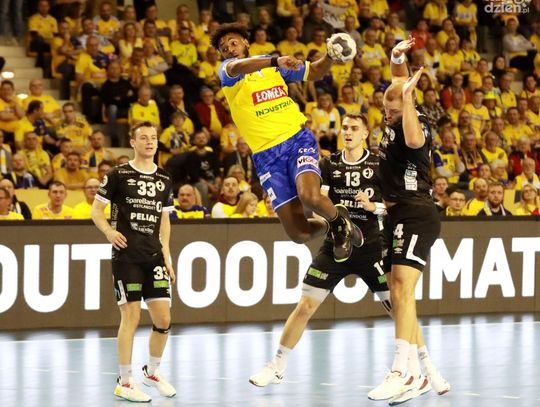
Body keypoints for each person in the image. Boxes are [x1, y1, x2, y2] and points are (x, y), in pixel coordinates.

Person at [249, 115, 445, 401]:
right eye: (345, 128)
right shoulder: (328, 164)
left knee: (399, 308)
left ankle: (427, 369)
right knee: (305, 305)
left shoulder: (379, 164)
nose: (348, 132)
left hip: (372, 246)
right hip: (337, 244)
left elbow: (395, 205)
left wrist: (374, 206)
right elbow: (320, 206)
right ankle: (276, 366)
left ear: (365, 133)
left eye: (354, 128)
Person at [213, 23, 361, 262]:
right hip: (266, 157)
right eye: (224, 48)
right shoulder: (228, 71)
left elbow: (314, 72)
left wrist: (330, 56)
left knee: (310, 197)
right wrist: (275, 60)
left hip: (296, 140)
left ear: (246, 43)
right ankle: (332, 223)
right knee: (299, 234)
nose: (229, 49)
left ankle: (339, 224)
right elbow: (237, 66)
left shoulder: (274, 67)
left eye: (233, 42)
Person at [369, 36, 450, 403]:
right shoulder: (396, 110)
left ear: (407, 106)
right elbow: (398, 82)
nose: (386, 115)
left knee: (402, 288)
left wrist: (406, 100)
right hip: (395, 215)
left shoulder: (414, 126)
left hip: (416, 212)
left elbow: (414, 139)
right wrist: (397, 57)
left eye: (392, 110)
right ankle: (419, 372)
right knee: (399, 295)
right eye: (384, 110)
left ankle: (401, 371)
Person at [91, 122, 176, 402]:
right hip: (127, 256)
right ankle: (125, 381)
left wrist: (167, 255)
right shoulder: (118, 174)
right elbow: (96, 211)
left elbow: (164, 220)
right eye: (144, 138)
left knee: (164, 319)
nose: (149, 142)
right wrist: (109, 232)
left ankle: (151, 372)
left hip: (154, 256)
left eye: (153, 138)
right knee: (131, 316)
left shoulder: (164, 178)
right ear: (133, 142)